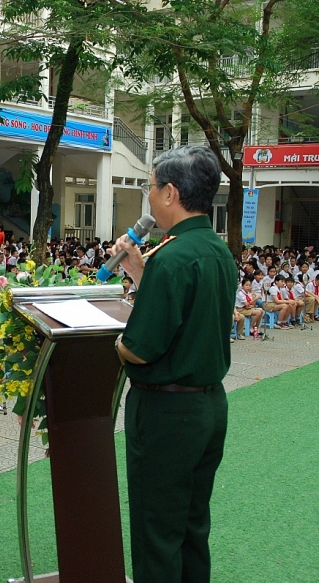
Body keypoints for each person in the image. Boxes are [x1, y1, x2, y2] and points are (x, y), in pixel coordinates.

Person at [112, 146, 236, 582]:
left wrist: (110, 342)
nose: (147, 198)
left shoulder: (173, 256)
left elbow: (140, 349)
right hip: (207, 408)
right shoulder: (215, 250)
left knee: (156, 531)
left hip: (166, 414)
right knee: (190, 525)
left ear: (169, 193)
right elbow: (187, 310)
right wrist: (140, 272)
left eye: (149, 187)